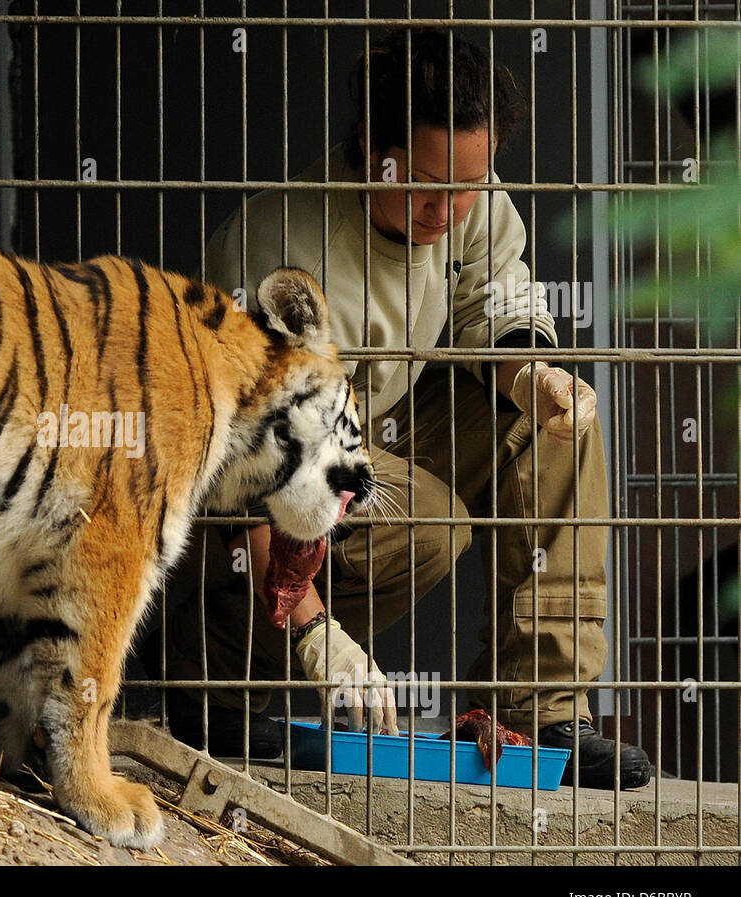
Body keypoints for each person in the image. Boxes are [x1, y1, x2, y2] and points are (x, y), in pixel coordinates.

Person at [144, 27, 653, 790]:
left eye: (469, 186)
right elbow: (245, 460)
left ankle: (542, 712)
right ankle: (220, 663)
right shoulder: (277, 247)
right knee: (428, 524)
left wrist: (533, 379)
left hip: (386, 422)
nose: (448, 208)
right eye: (423, 181)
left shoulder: (469, 200)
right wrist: (319, 634)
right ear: (369, 144)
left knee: (556, 427)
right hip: (266, 478)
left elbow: (494, 306)